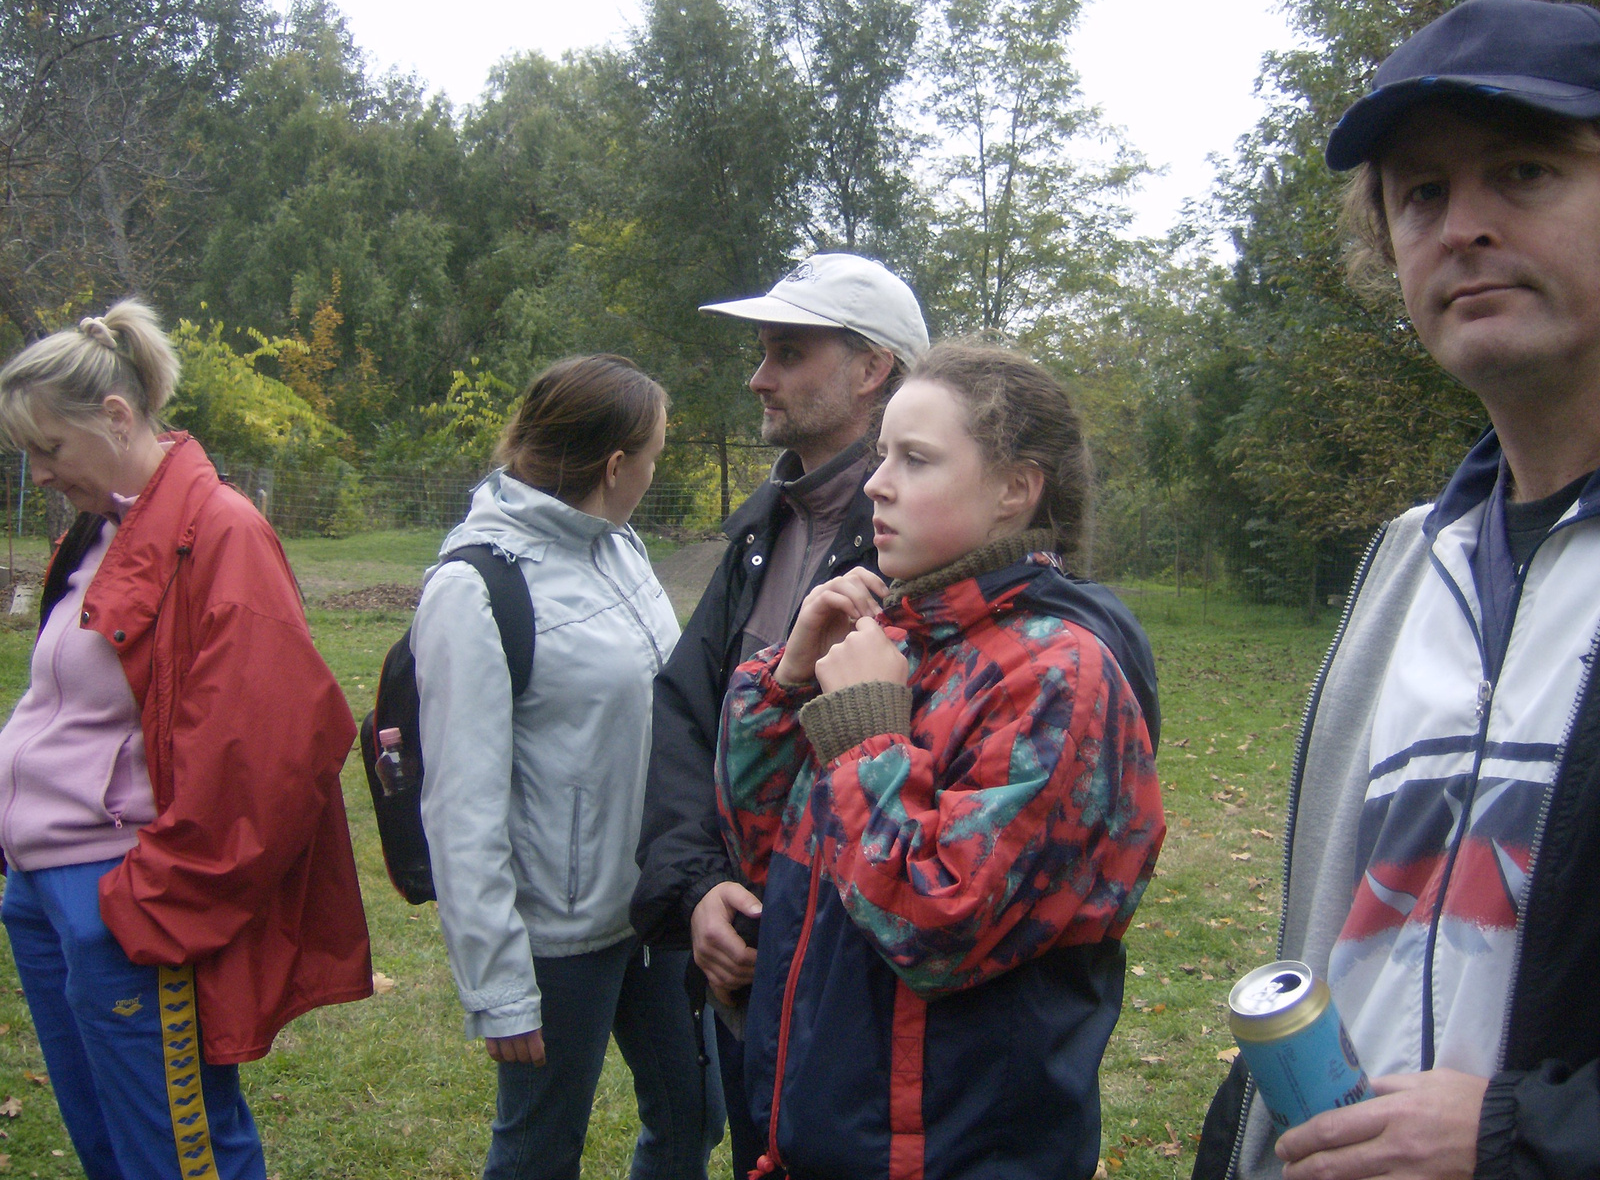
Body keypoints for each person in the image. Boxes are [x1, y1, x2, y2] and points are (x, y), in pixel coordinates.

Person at [1193, 0, 1600, 1180]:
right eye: (1419, 194)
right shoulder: (1407, 564)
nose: (1460, 225)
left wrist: (1519, 1138)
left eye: (1523, 170)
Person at [715, 342, 1165, 1178]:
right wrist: (786, 685)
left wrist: (866, 738)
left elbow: (938, 927)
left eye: (915, 459)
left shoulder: (1057, 675)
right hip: (823, 1135)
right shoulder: (894, 644)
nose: (879, 483)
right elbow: (767, 850)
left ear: (1014, 491)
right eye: (882, 453)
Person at [0, 300, 371, 1179]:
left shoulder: (217, 530)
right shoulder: (104, 528)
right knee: (111, 1148)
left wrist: (149, 905)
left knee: (177, 1155)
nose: (39, 474)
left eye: (50, 449)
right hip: (45, 892)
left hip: (119, 896)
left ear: (118, 417)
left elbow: (271, 756)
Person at [629, 252, 930, 1172]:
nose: (758, 376)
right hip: (746, 961)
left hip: (864, 991)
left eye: (787, 352)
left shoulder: (926, 543)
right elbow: (687, 708)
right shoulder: (763, 528)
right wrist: (696, 890)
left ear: (872, 367)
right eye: (764, 351)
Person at [412, 354, 722, 1180]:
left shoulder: (617, 547)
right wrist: (499, 989)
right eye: (654, 454)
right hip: (559, 936)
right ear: (615, 465)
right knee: (541, 1147)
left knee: (695, 1117)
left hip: (653, 906)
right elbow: (460, 805)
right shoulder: (475, 587)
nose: (657, 471)